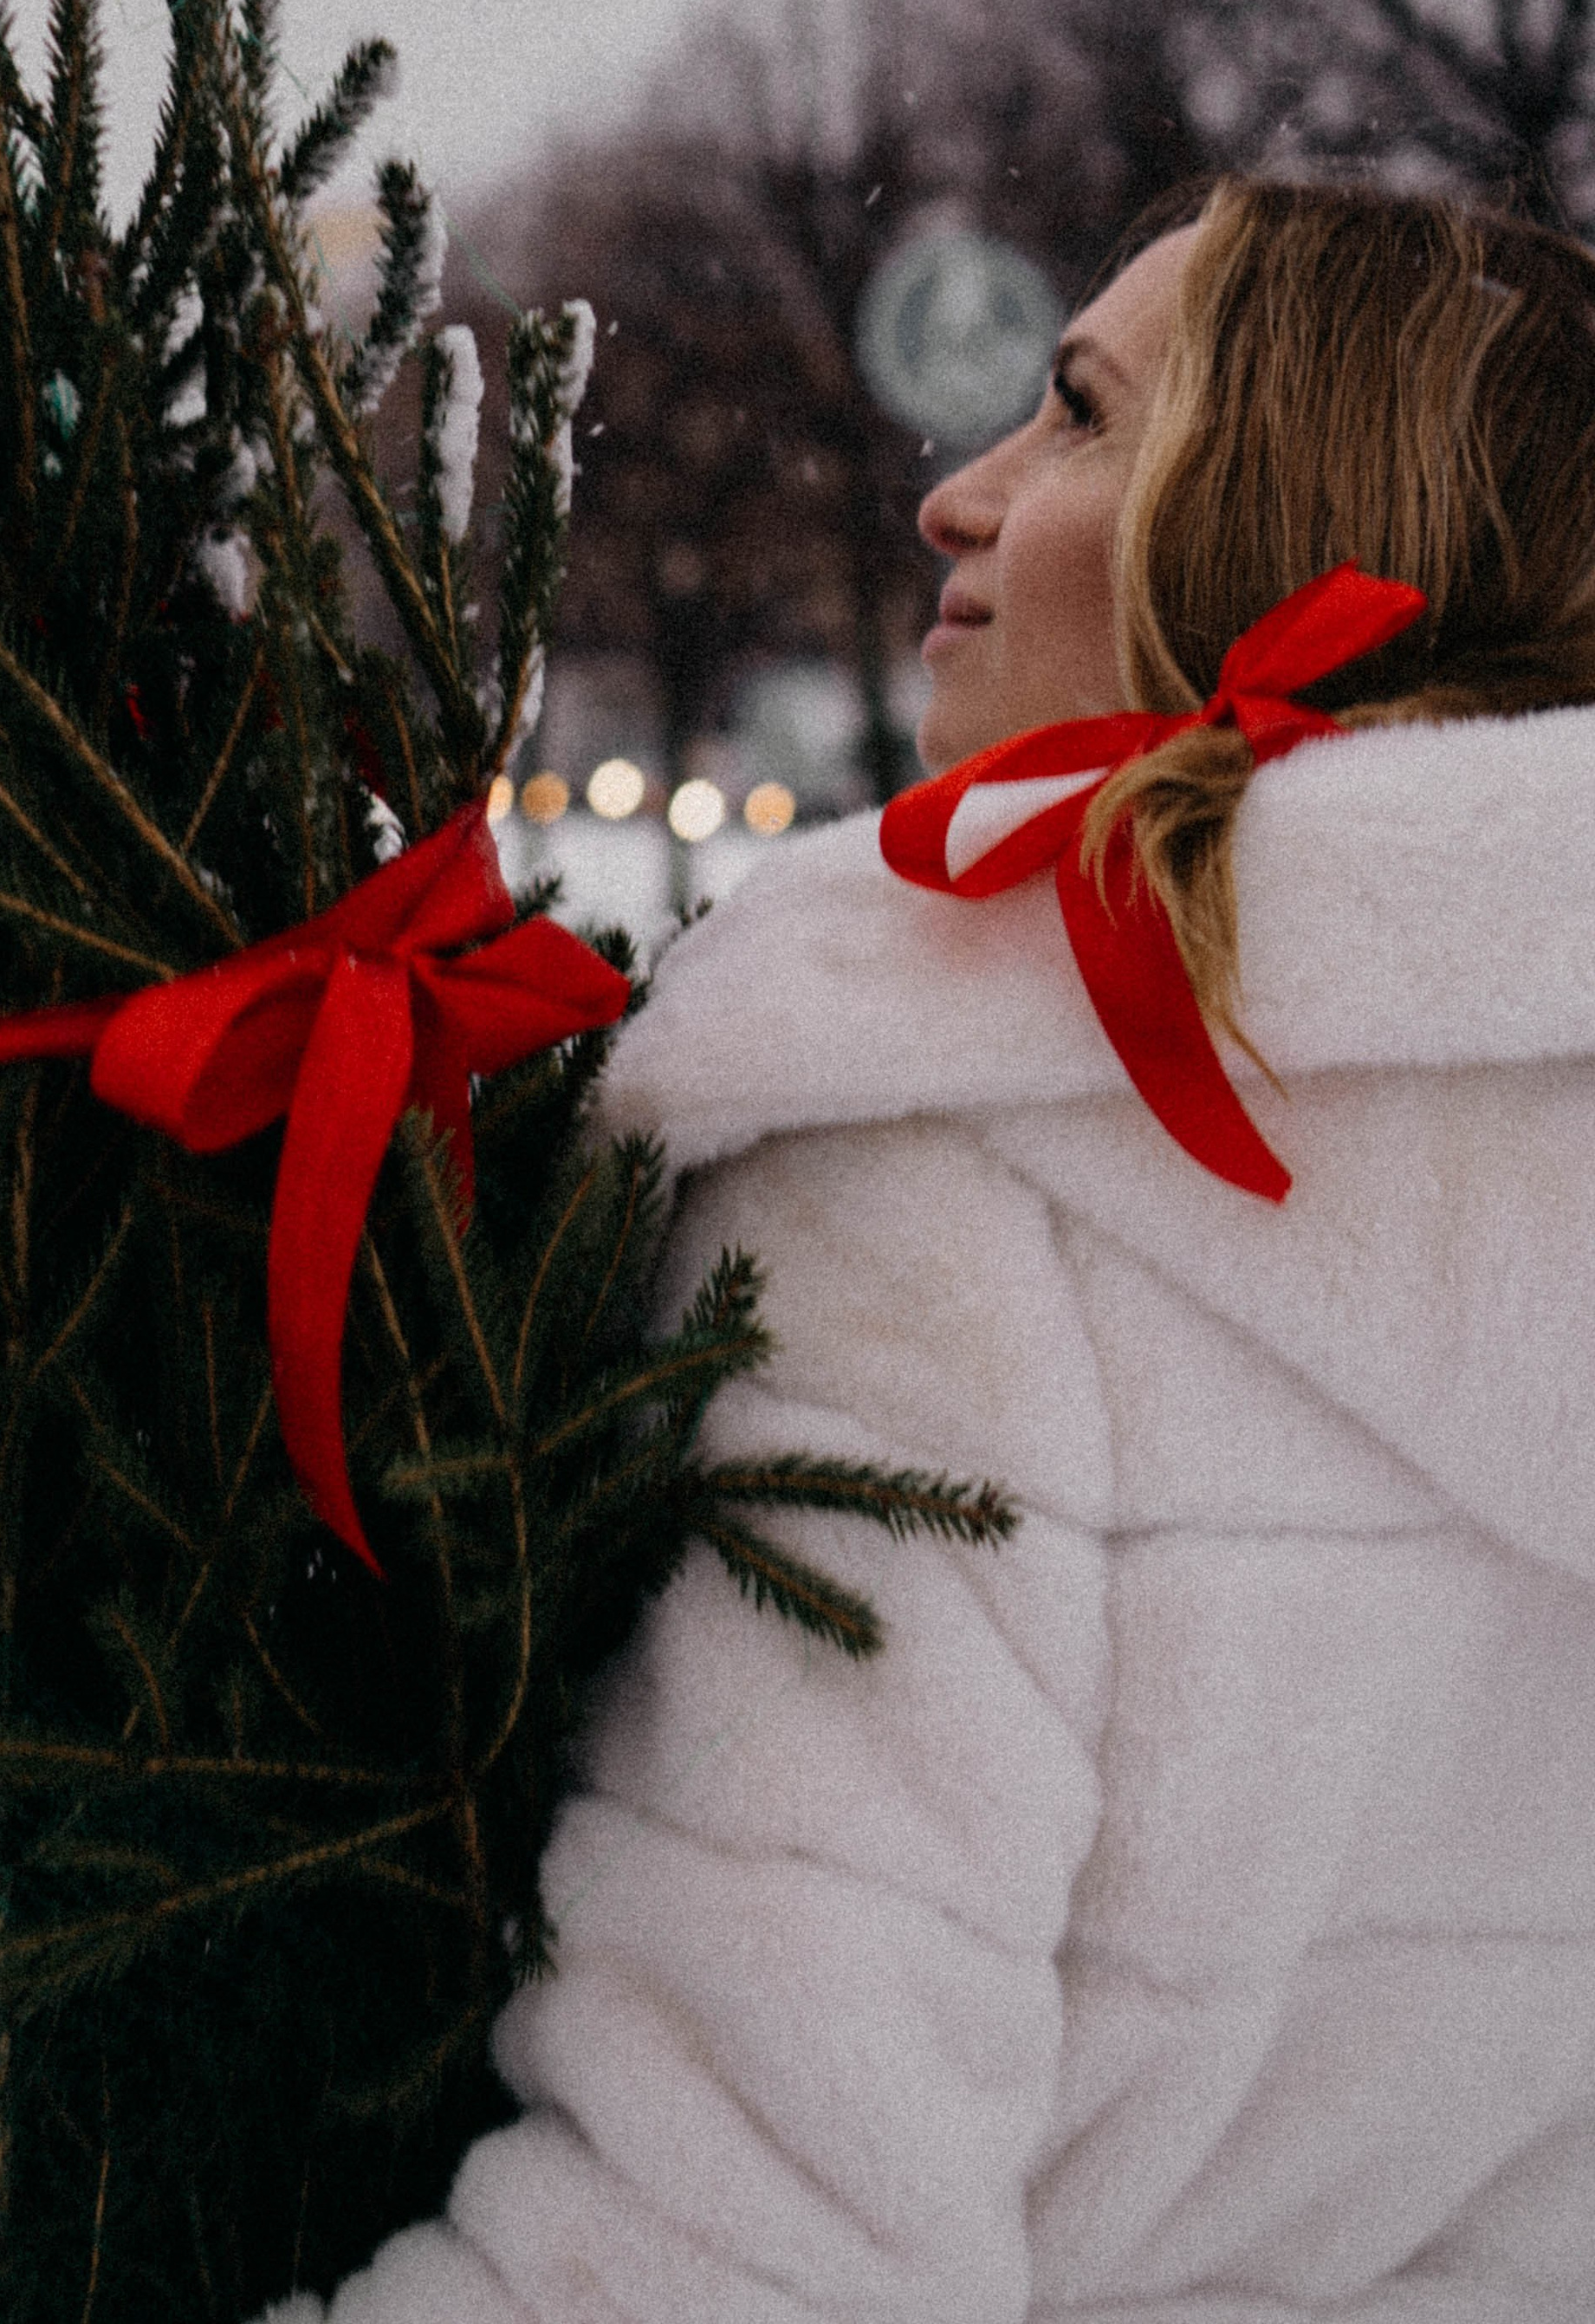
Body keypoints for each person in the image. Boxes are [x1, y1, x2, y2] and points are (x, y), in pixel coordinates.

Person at [278, 174, 1595, 2322]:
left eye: (1077, 414)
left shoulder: (937, 1175)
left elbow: (732, 2249)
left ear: (1275, 524)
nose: (952, 496)